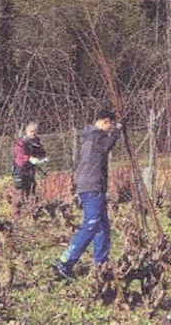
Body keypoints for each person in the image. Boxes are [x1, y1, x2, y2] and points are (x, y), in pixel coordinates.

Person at [52, 109, 120, 280]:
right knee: (91, 225)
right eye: (110, 125)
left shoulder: (90, 135)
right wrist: (118, 131)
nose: (110, 129)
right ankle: (65, 262)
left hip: (91, 185)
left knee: (102, 227)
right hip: (92, 186)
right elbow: (106, 147)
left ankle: (101, 265)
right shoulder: (96, 136)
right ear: (105, 121)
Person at [13, 122, 49, 198]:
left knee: (32, 188)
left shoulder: (36, 143)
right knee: (21, 190)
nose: (33, 133)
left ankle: (31, 205)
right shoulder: (21, 143)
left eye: (35, 131)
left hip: (31, 169)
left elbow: (41, 152)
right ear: (26, 132)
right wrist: (29, 158)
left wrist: (41, 158)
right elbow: (19, 156)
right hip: (21, 169)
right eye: (31, 131)